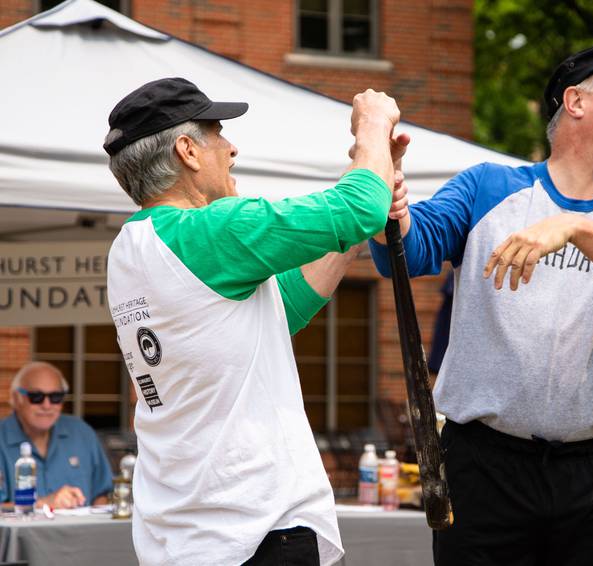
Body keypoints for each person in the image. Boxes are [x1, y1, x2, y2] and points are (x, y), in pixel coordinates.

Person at [369, 43, 593, 566]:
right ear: (575, 101)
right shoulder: (488, 187)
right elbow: (406, 253)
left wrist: (573, 226)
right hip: (484, 468)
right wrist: (391, 204)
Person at [104, 77, 406, 566]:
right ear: (187, 150)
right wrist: (371, 130)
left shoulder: (131, 249)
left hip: (186, 536)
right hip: (257, 530)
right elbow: (358, 206)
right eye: (217, 132)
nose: (231, 147)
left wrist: (360, 219)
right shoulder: (212, 229)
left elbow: (280, 309)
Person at [0, 362, 113, 509]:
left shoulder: (82, 433)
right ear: (17, 398)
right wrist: (42, 504)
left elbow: (102, 494)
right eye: (36, 396)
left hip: (79, 531)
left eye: (56, 397)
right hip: (23, 532)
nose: (47, 405)